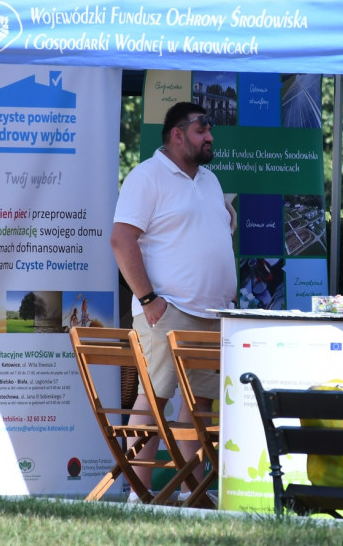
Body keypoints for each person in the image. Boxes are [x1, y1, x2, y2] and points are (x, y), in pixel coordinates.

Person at [111, 101, 236, 500]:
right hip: (167, 311)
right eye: (201, 129)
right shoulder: (147, 177)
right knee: (153, 398)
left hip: (211, 313)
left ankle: (189, 492)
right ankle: (137, 494)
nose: (210, 137)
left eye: (210, 129)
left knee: (199, 405)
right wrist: (148, 299)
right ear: (177, 134)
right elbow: (121, 239)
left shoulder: (211, 181)